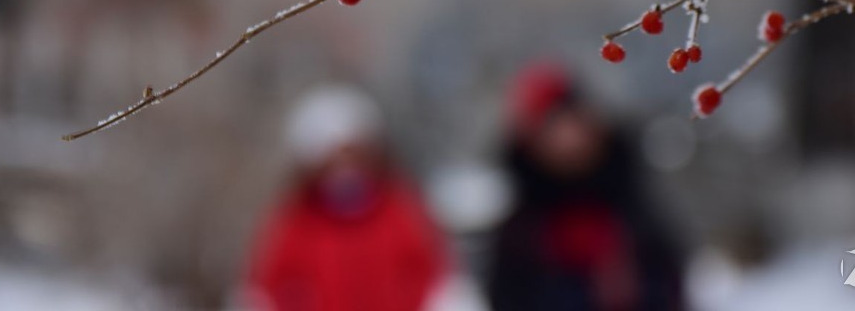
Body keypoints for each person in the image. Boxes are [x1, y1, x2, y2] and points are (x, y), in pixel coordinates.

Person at [486, 63, 684, 311]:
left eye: (572, 122)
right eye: (552, 128)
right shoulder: (520, 235)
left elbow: (671, 284)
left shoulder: (635, 212)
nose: (568, 139)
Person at [241, 86, 453, 311]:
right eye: (332, 163)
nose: (345, 173)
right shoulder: (293, 222)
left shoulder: (402, 211)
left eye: (354, 158)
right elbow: (263, 291)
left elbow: (440, 284)